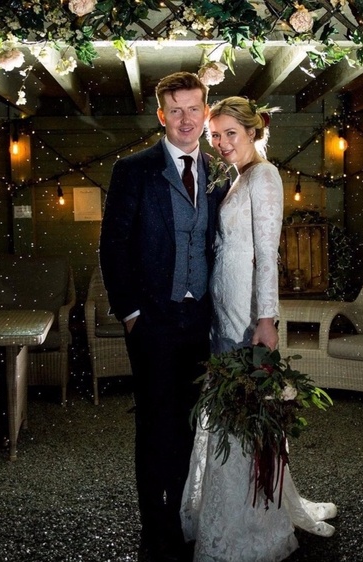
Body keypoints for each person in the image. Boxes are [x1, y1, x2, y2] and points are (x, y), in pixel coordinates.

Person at [180, 96, 338, 562]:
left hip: (248, 317)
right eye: (216, 135)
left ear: (253, 132)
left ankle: (249, 521)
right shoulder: (236, 179)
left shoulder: (265, 177)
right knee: (232, 413)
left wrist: (266, 320)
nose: (223, 143)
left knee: (242, 417)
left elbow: (268, 255)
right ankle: (233, 507)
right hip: (224, 312)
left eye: (232, 133)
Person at [99, 72, 227, 562]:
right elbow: (113, 247)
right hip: (151, 321)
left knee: (190, 426)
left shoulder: (217, 172)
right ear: (161, 115)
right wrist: (131, 313)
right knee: (155, 426)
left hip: (199, 322)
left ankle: (178, 518)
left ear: (206, 112)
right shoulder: (134, 170)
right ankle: (155, 529)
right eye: (176, 110)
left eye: (194, 109)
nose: (186, 120)